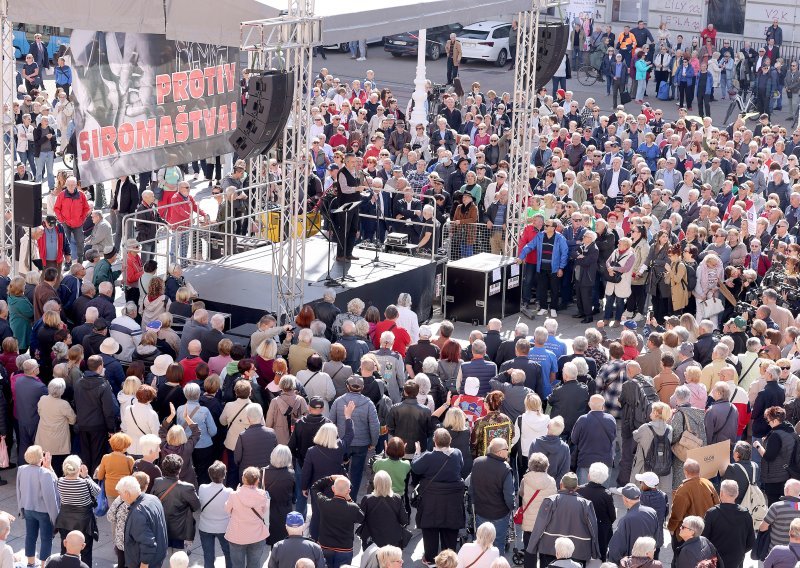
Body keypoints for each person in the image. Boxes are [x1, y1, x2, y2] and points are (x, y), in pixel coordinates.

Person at [411, 428, 465, 563]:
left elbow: (416, 468)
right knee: (450, 532)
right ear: (450, 441)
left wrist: (417, 453)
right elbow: (461, 466)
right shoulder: (457, 454)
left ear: (434, 441)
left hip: (431, 502)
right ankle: (449, 561)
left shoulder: (429, 457)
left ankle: (430, 559)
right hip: (452, 503)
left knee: (430, 532)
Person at [527, 472, 600, 566]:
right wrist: (595, 551)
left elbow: (539, 526)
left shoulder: (550, 501)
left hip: (550, 548)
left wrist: (532, 547)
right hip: (578, 550)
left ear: (561, 485)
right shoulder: (586, 504)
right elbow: (593, 528)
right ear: (576, 487)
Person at [667, 459, 720, 561]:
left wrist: (671, 528)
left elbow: (677, 514)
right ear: (699, 471)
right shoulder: (708, 483)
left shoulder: (683, 489)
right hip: (705, 531)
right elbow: (717, 505)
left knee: (681, 560)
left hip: (687, 534)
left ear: (685, 472)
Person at [468, 437, 514, 550]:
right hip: (499, 514)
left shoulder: (477, 462)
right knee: (498, 545)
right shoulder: (505, 469)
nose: (508, 451)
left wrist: (472, 505)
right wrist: (512, 507)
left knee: (481, 544)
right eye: (506, 449)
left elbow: (471, 488)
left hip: (481, 511)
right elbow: (509, 496)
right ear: (499, 452)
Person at [17, 445, 59, 567]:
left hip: (28, 509)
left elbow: (18, 490)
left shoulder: (21, 469)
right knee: (46, 539)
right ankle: (43, 564)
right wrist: (55, 517)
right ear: (40, 458)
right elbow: (50, 496)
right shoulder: (45, 473)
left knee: (30, 536)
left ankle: (30, 563)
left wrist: (21, 507)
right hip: (44, 512)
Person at [311, 475, 364, 568]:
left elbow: (315, 487)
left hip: (325, 546)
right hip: (344, 549)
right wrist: (349, 499)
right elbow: (361, 518)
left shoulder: (324, 503)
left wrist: (330, 478)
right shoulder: (353, 508)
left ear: (333, 488)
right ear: (349, 491)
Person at [152, 454, 200, 554]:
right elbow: (196, 507)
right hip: (180, 531)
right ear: (179, 469)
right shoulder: (188, 488)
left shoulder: (157, 482)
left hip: (162, 527)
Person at [117, 475, 169, 568]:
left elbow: (148, 543)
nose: (120, 497)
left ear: (127, 493)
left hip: (145, 563)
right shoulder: (153, 499)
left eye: (120, 494)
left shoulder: (138, 513)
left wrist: (144, 564)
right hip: (158, 556)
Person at [701, 479, 755, 568]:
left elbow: (704, 539)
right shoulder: (745, 514)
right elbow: (751, 542)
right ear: (737, 494)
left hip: (715, 561)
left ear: (721, 493)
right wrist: (739, 552)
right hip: (736, 561)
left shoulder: (712, 513)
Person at [224, 466, 270, 568]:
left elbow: (227, 510)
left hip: (237, 535)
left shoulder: (234, 494)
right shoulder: (262, 494)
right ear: (258, 480)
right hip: (257, 535)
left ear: (243, 479)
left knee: (237, 565)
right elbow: (264, 512)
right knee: (254, 565)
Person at [607, 483, 659, 565]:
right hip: (648, 559)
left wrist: (614, 564)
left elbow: (615, 548)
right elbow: (656, 536)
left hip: (632, 563)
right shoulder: (652, 512)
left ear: (626, 499)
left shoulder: (625, 520)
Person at [358, 470, 408, 547]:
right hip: (393, 541)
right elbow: (404, 520)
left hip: (372, 540)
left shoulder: (367, 499)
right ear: (390, 483)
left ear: (375, 483)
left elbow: (360, 519)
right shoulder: (397, 498)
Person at [198, 461, 233, 568]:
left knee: (208, 557)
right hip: (224, 528)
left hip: (205, 527)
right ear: (224, 475)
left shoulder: (202, 488)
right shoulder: (229, 491)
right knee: (228, 555)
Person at [261, 445, 295, 546]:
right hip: (284, 512)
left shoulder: (263, 472)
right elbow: (294, 495)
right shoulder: (291, 474)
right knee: (282, 543)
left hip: (267, 512)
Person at [235, 403, 278, 474]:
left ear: (248, 418)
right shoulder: (272, 433)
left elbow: (237, 459)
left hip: (248, 475)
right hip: (267, 474)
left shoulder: (243, 436)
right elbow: (275, 454)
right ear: (261, 416)